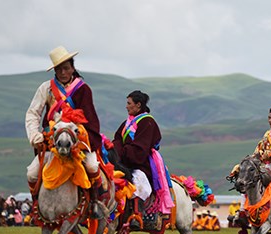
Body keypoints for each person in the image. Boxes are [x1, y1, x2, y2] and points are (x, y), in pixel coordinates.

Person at [25, 46, 104, 210]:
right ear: (54, 70)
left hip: (78, 140)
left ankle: (95, 203)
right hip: (52, 142)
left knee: (92, 166)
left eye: (66, 68)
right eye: (59, 69)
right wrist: (35, 136)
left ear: (72, 68)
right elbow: (33, 113)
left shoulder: (83, 89)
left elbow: (90, 118)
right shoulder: (45, 88)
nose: (62, 72)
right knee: (32, 173)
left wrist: (83, 138)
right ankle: (35, 205)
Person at [112, 90, 174, 223]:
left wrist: (123, 151)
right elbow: (117, 138)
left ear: (138, 105)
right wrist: (116, 151)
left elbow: (141, 147)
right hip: (123, 159)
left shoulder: (147, 122)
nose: (126, 106)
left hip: (141, 161)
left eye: (129, 103)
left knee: (140, 183)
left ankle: (138, 214)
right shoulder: (127, 122)